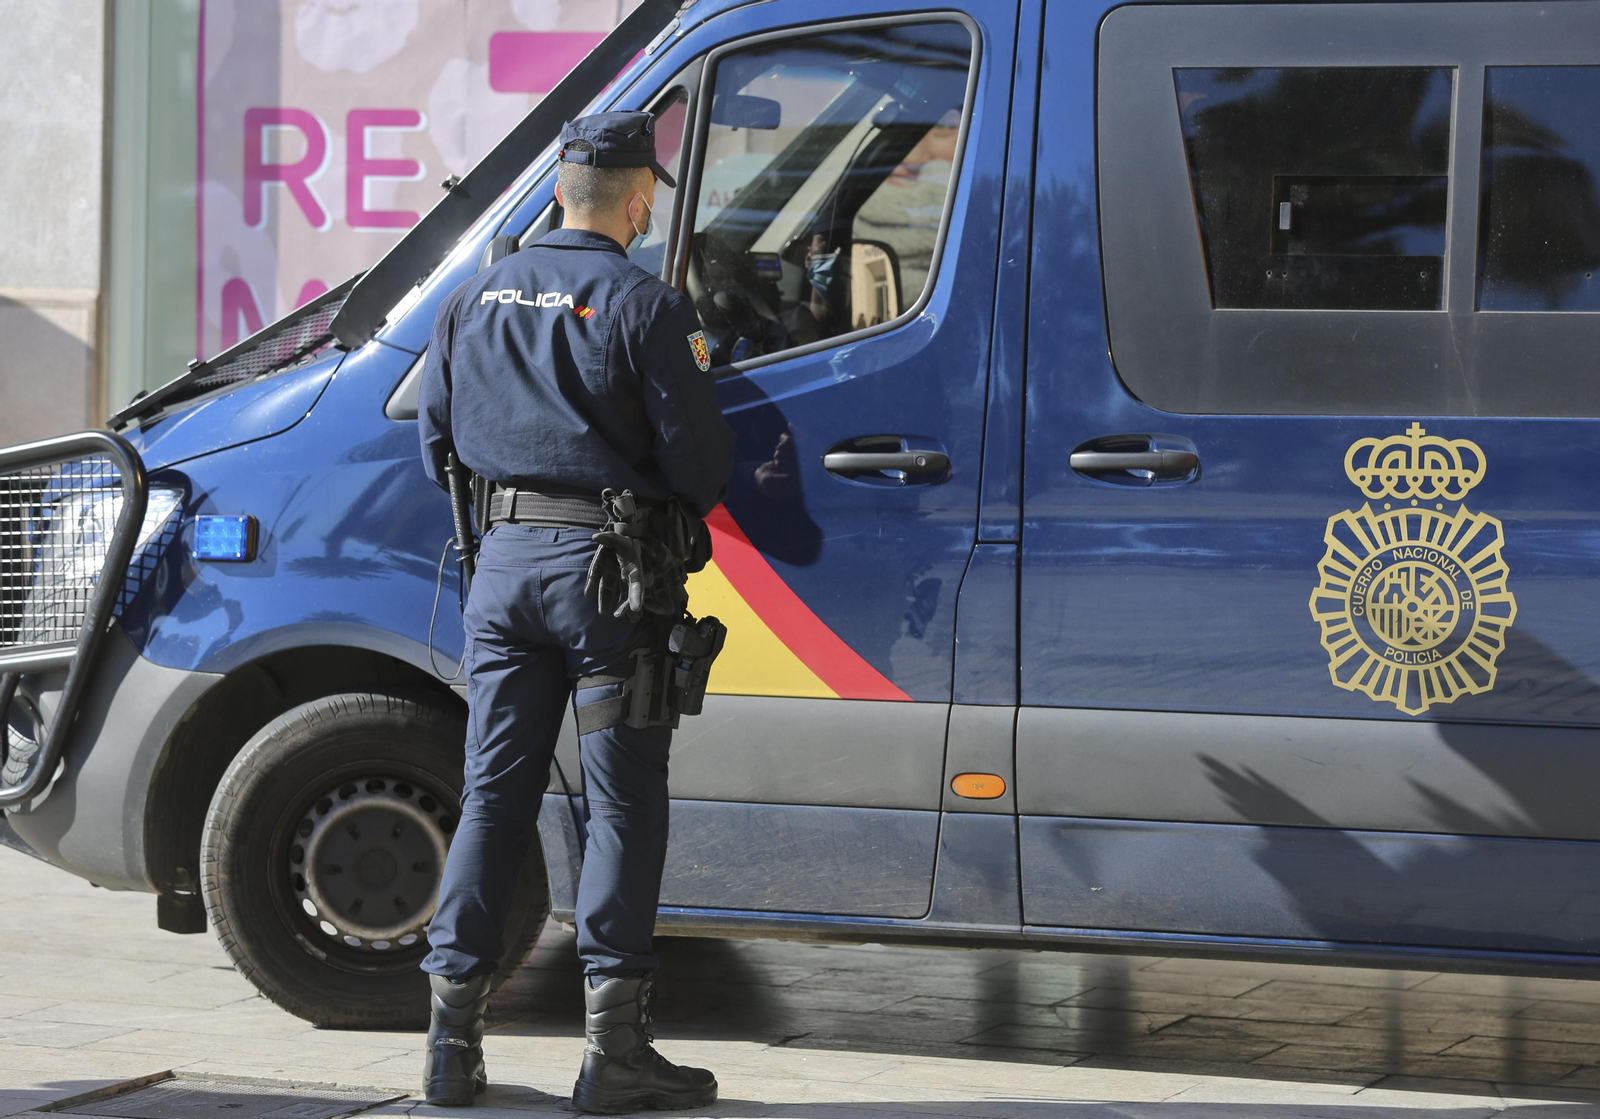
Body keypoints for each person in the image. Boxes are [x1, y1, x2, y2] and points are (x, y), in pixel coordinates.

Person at [416, 110, 737, 1115]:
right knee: (621, 803)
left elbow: (437, 442)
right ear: (639, 200)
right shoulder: (646, 307)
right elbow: (699, 468)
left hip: (504, 571)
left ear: (559, 189)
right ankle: (614, 1055)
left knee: (492, 796)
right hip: (610, 583)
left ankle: (448, 1050)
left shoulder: (469, 301)